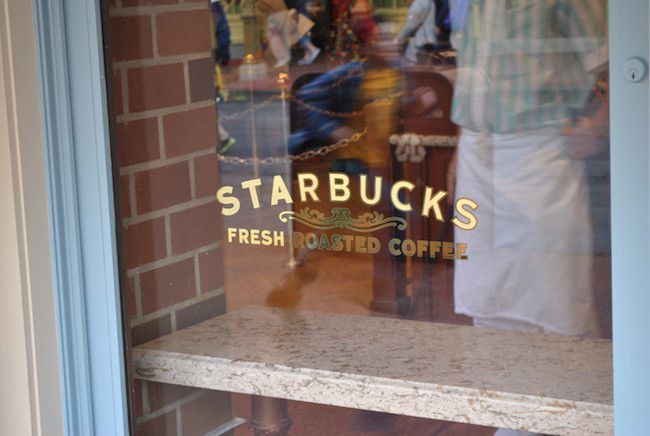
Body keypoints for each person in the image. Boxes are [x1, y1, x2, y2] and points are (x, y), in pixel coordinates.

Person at [448, 0, 608, 400]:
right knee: (487, 298)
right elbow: (473, 72)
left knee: (556, 302)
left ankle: (573, 416)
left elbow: (627, 60)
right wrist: (458, 144)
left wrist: (600, 125)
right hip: (476, 150)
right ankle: (513, 416)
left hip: (539, 149)